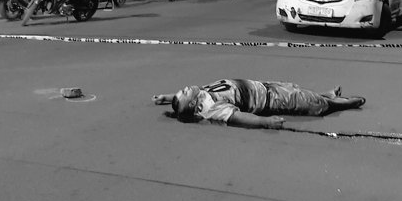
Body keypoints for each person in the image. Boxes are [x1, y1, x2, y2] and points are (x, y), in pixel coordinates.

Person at [153, 78, 365, 129]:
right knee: (311, 103)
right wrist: (266, 122)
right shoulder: (211, 109)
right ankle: (342, 104)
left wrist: (165, 98)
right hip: (271, 99)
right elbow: (238, 117)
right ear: (193, 106)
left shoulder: (200, 93)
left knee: (299, 91)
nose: (185, 88)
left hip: (265, 86)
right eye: (183, 93)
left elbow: (180, 100)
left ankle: (324, 94)